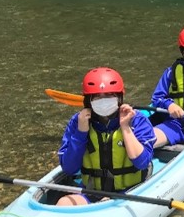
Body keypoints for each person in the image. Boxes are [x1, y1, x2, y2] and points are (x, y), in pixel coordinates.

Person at [56, 67, 156, 206]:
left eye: (109, 95)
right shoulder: (78, 121)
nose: (103, 101)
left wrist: (125, 127)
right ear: (89, 100)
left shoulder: (136, 119)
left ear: (119, 97)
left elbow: (142, 163)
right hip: (93, 192)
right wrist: (81, 133)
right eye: (97, 97)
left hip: (131, 192)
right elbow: (69, 168)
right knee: (63, 203)